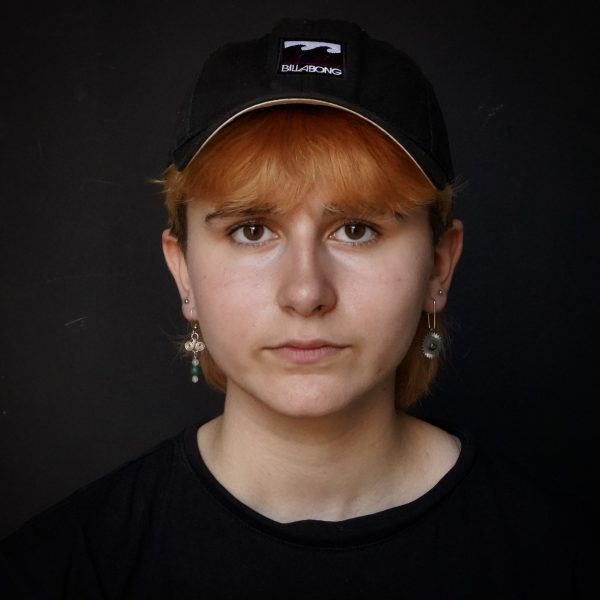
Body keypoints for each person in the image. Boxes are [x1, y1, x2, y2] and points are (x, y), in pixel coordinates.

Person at [0, 17, 587, 599]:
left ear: (439, 267)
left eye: (356, 229)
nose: (306, 293)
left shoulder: (556, 562)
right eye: (252, 230)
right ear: (183, 272)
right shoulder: (58, 572)